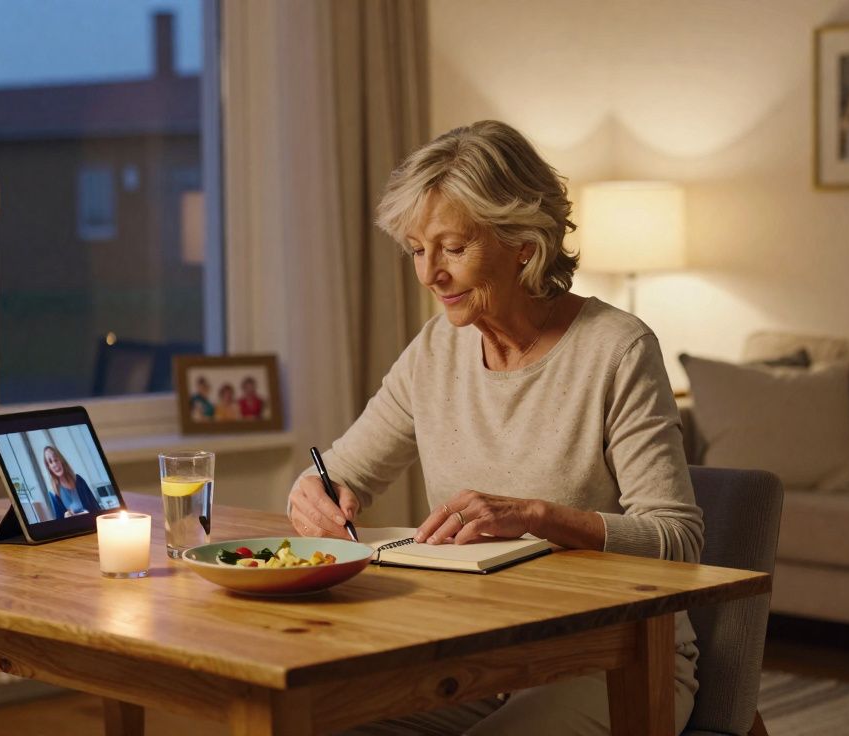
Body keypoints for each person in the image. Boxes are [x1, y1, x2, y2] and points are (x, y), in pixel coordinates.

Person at [287, 120, 702, 735]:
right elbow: (342, 473)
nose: (430, 275)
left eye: (452, 249)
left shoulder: (616, 349)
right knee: (320, 725)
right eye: (416, 250)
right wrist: (313, 494)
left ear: (523, 244)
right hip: (475, 655)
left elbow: (679, 539)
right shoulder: (434, 353)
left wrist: (537, 517)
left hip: (618, 658)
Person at [42, 445, 101, 519]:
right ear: (49, 467)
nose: (54, 464)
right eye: (50, 462)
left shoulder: (79, 480)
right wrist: (65, 517)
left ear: (61, 460)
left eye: (56, 460)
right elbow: (59, 522)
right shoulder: (53, 493)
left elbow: (96, 507)